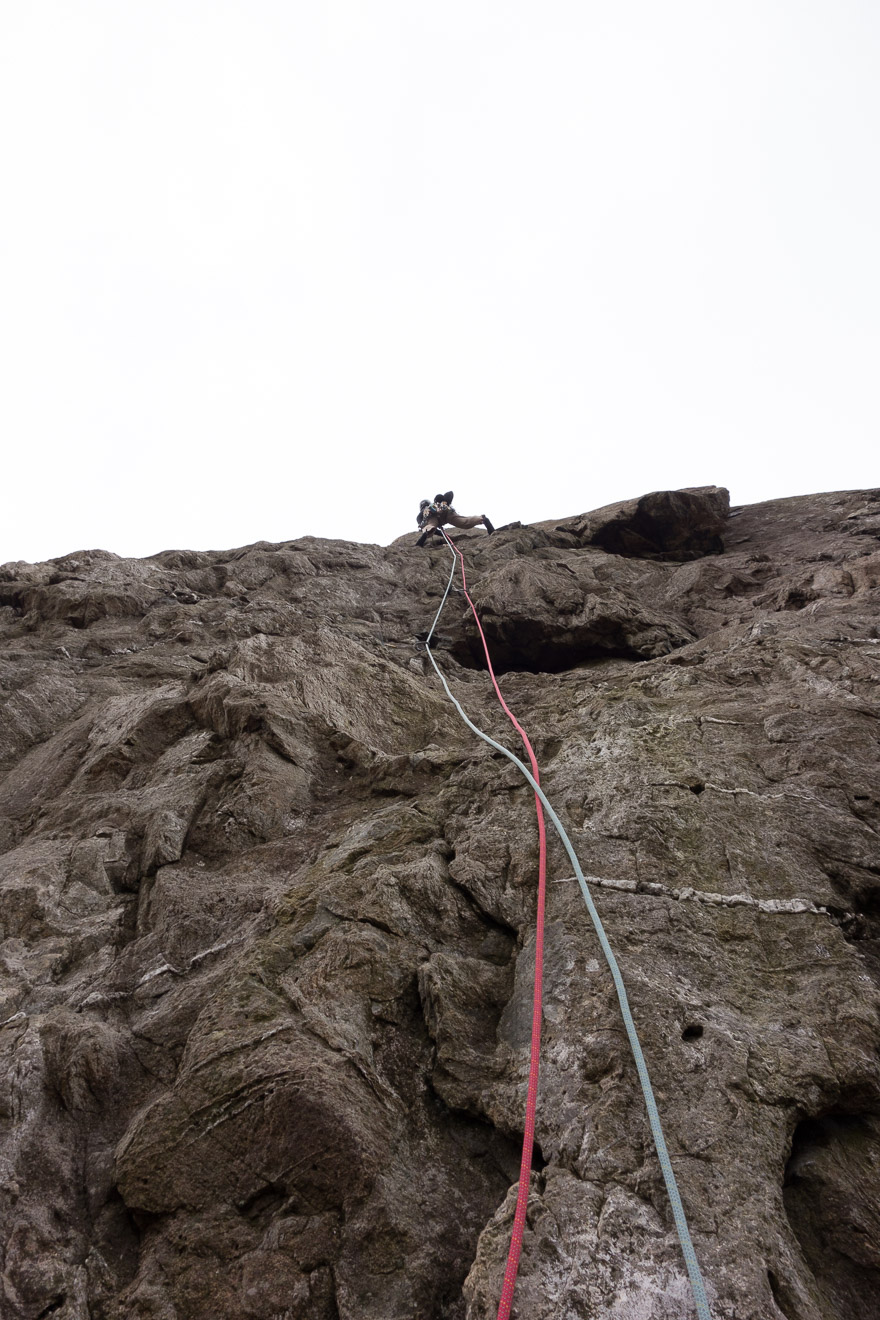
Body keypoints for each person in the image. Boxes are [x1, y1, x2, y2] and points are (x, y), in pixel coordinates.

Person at [415, 492, 495, 547]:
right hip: (447, 512)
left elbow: (420, 522)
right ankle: (483, 519)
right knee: (464, 522)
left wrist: (424, 528)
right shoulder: (435, 506)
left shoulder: (424, 511)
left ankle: (419, 544)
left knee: (429, 528)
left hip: (433, 516)